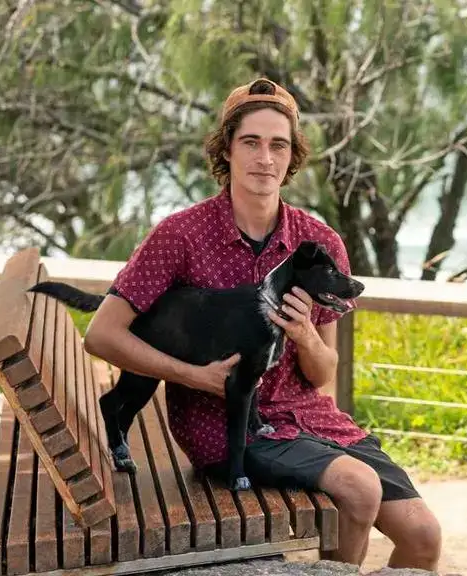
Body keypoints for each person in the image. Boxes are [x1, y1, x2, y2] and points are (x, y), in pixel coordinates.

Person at [82, 78, 442, 571]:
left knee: (424, 536)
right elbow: (101, 334)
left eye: (279, 145)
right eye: (251, 142)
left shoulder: (320, 242)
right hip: (225, 428)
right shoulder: (179, 236)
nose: (265, 158)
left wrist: (306, 335)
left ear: (292, 156)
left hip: (310, 420)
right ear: (226, 150)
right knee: (360, 489)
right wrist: (192, 376)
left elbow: (323, 375)